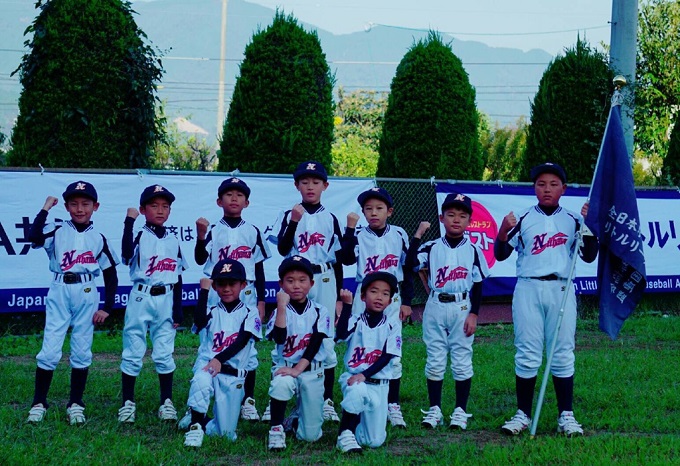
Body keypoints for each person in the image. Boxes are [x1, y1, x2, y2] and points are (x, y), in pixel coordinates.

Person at [494, 162, 598, 437]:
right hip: (528, 287)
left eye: (553, 184)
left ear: (564, 188)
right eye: (541, 184)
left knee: (562, 352)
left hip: (561, 288)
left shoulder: (574, 219)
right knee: (527, 352)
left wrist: (591, 223)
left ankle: (566, 415)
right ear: (534, 188)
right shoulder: (523, 218)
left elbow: (589, 255)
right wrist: (502, 231)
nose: (547, 189)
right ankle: (523, 414)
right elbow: (501, 254)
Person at [26, 181, 119, 424]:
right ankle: (38, 403)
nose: (80, 209)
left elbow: (110, 274)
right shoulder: (56, 231)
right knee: (50, 349)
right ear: (66, 207)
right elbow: (33, 236)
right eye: (74, 204)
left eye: (85, 204)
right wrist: (46, 208)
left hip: (87, 290)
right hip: (59, 288)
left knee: (81, 348)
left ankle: (76, 403)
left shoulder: (98, 238)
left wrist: (107, 307)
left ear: (95, 206)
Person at [406, 192, 489, 430]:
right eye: (451, 215)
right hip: (435, 304)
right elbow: (410, 263)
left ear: (469, 221)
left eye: (462, 216)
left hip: (462, 305)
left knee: (462, 358)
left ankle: (460, 410)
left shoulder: (473, 250)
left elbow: (479, 284)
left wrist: (474, 314)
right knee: (435, 358)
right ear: (441, 218)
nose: (456, 219)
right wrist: (418, 235)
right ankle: (435, 409)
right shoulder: (431, 246)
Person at [268, 161, 343, 423]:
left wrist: (338, 296)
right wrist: (293, 221)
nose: (310, 186)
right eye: (305, 181)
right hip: (295, 278)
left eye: (315, 182)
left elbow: (338, 259)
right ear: (296, 185)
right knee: (286, 334)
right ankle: (277, 394)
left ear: (325, 186)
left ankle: (327, 400)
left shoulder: (330, 218)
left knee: (326, 339)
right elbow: (282, 249)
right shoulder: (288, 214)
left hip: (323, 277)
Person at [194, 177, 270, 422]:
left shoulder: (252, 231)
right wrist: (201, 237)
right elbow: (199, 259)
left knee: (248, 349)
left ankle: (248, 400)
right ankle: (201, 399)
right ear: (219, 201)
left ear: (247, 202)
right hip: (218, 292)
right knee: (210, 342)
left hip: (246, 292)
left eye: (239, 195)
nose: (234, 198)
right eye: (229, 194)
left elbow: (259, 268)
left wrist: (261, 301)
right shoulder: (214, 230)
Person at [340, 187, 412, 428]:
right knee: (359, 346)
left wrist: (407, 301)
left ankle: (392, 404)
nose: (373, 213)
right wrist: (350, 229)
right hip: (364, 295)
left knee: (393, 353)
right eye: (368, 208)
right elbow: (347, 258)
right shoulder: (359, 234)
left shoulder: (399, 234)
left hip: (391, 296)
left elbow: (408, 268)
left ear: (389, 211)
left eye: (379, 208)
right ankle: (355, 394)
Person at [117, 185, 187, 424]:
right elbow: (126, 254)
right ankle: (128, 402)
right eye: (154, 206)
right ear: (143, 209)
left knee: (165, 351)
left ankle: (166, 402)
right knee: (133, 349)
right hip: (141, 296)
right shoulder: (138, 234)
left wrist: (178, 308)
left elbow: (177, 275)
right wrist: (129, 222)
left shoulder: (173, 239)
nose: (160, 210)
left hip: (166, 296)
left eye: (165, 206)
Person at [183, 259, 262, 447]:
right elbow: (199, 322)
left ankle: (201, 419)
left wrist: (219, 359)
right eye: (221, 284)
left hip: (233, 374)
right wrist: (204, 291)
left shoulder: (250, 312)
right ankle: (195, 426)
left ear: (243, 285)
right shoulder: (211, 311)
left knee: (225, 434)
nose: (226, 289)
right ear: (215, 286)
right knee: (201, 379)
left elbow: (242, 340)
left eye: (232, 283)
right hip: (210, 367)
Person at [265, 255, 332, 451]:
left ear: (311, 283)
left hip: (312, 370)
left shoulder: (320, 311)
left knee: (310, 436)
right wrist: (281, 307)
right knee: (281, 382)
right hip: (286, 367)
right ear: (281, 284)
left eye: (302, 280)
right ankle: (276, 428)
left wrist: (298, 369)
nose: (296, 286)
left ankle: (294, 419)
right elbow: (279, 338)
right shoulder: (278, 311)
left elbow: (315, 344)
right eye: (290, 280)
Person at [334, 272, 402, 453]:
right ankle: (345, 433)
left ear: (390, 301)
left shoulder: (392, 325)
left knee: (373, 441)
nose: (379, 297)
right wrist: (347, 306)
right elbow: (340, 335)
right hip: (353, 378)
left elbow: (388, 356)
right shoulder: (356, 320)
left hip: (379, 384)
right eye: (374, 291)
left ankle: (355, 420)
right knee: (357, 389)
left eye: (385, 294)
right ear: (363, 296)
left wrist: (364, 375)